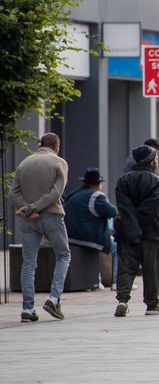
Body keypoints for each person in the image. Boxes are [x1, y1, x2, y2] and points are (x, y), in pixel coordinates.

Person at [10, 133, 70, 322]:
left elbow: (13, 192)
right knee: (63, 255)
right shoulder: (59, 162)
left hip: (29, 220)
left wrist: (27, 209)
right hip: (51, 216)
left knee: (28, 262)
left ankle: (27, 309)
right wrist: (35, 207)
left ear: (40, 145)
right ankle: (53, 299)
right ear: (57, 146)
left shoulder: (24, 163)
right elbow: (56, 192)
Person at [114, 145, 159, 317]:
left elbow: (124, 207)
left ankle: (122, 300)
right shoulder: (157, 182)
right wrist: (139, 224)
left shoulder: (123, 181)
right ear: (151, 161)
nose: (157, 161)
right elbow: (152, 208)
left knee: (126, 267)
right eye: (156, 158)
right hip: (150, 232)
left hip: (127, 232)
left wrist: (132, 226)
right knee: (151, 268)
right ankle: (152, 304)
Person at [64, 167, 118, 287]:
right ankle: (116, 282)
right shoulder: (97, 196)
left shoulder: (73, 195)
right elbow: (113, 212)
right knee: (118, 246)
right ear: (98, 184)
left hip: (70, 237)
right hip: (90, 238)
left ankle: (97, 280)